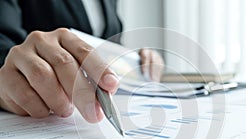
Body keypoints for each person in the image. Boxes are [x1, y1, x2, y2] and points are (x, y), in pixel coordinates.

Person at [0, 0, 164, 123]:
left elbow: (107, 46)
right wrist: (8, 82)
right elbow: (3, 43)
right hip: (45, 107)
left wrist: (136, 59)